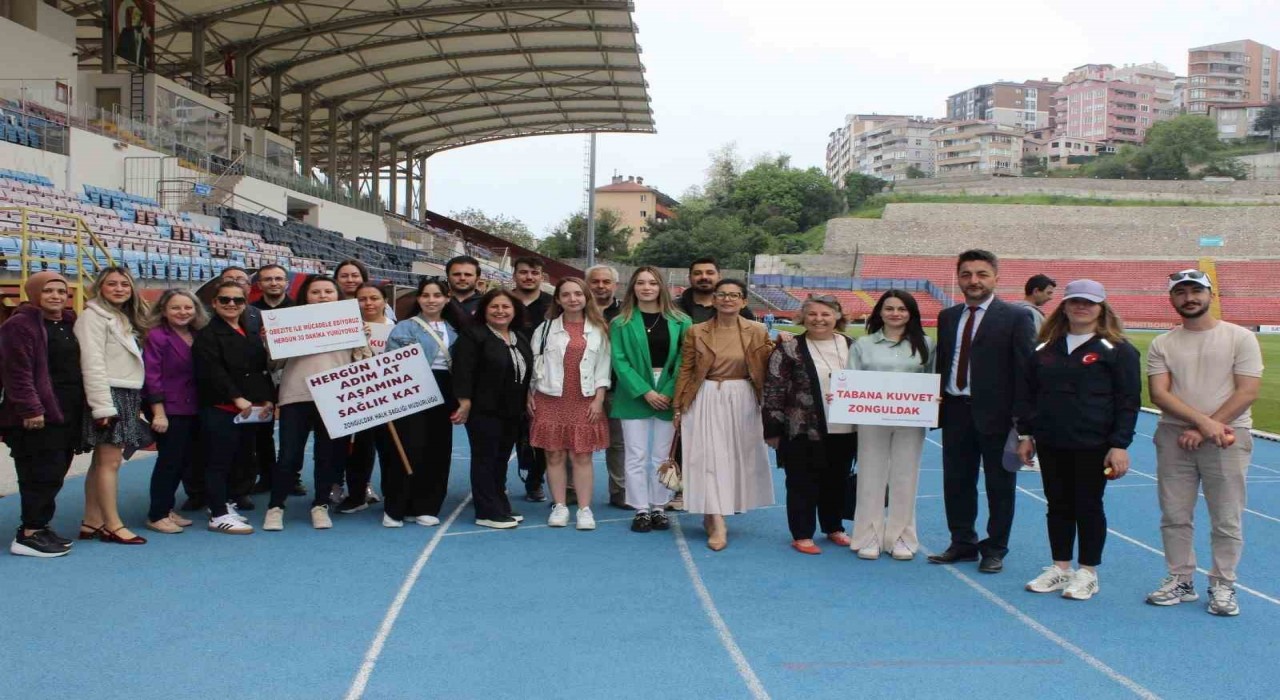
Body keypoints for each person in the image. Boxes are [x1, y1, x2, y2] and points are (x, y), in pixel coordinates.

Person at [1144, 269, 1264, 616]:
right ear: (1172, 299)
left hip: (1227, 437)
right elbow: (1159, 394)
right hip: (1174, 436)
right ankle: (1181, 579)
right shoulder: (1162, 343)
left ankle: (1223, 584)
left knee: (1226, 517)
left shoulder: (1240, 338)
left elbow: (1247, 391)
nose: (1189, 298)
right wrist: (1203, 424)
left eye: (1196, 291)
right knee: (1174, 514)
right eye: (1181, 292)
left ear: (1211, 295)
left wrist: (1207, 428)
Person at [1016, 280, 1140, 601]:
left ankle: (1088, 572)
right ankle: (1061, 567)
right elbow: (1028, 396)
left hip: (1094, 444)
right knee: (1057, 505)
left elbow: (1128, 401)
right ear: (1065, 306)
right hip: (1051, 441)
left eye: (1089, 302)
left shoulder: (1118, 350)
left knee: (1088, 505)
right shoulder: (1044, 349)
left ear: (1101, 308)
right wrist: (1026, 434)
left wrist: (1119, 444)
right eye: (1075, 301)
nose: (1081, 307)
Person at [928, 249, 1035, 573]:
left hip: (999, 417)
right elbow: (943, 363)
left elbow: (1025, 372)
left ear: (996, 278)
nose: (973, 281)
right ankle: (962, 542)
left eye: (981, 274)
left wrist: (1025, 427)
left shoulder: (1016, 317)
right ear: (959, 278)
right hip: (955, 412)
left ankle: (995, 548)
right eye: (966, 274)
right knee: (956, 482)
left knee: (999, 486)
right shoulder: (948, 317)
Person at [263, 275, 371, 531]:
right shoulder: (290, 322)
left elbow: (364, 364)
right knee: (288, 455)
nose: (322, 296)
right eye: (316, 292)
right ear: (305, 296)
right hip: (296, 395)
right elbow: (274, 364)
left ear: (338, 296)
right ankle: (275, 506)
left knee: (328, 456)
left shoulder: (351, 323)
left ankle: (320, 505)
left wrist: (363, 339)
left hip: (336, 397)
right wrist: (271, 342)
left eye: (328, 292)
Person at [674, 279, 774, 551]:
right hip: (705, 396)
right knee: (708, 458)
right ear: (714, 300)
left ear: (743, 301)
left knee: (733, 459)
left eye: (734, 295)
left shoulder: (758, 330)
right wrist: (678, 406)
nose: (727, 299)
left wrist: (782, 343)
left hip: (743, 398)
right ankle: (718, 522)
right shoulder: (696, 331)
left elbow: (768, 364)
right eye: (722, 295)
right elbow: (686, 369)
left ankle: (713, 512)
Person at [847, 290, 936, 561]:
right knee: (870, 476)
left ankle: (901, 536)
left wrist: (934, 398)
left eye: (902, 309)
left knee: (905, 477)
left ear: (911, 313)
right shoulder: (863, 344)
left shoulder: (926, 344)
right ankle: (868, 536)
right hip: (871, 419)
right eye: (889, 308)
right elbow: (850, 380)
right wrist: (842, 396)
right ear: (880, 312)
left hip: (911, 420)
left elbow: (932, 379)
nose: (895, 313)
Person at [762, 295, 855, 555]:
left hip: (846, 427)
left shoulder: (852, 345)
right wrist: (772, 428)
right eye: (812, 314)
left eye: (826, 314)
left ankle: (834, 526)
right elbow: (774, 388)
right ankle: (802, 533)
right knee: (802, 481)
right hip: (802, 427)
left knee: (837, 479)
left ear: (837, 316)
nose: (819, 319)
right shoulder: (789, 348)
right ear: (803, 317)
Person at [0, 272, 84, 556]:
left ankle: (40, 525)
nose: (56, 296)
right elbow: (16, 372)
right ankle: (28, 534)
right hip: (36, 415)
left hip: (65, 412)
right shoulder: (19, 325)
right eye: (48, 291)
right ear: (34, 293)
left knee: (55, 472)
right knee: (38, 473)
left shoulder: (68, 322)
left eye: (61, 291)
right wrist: (30, 408)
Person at [74, 266, 152, 545]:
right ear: (100, 287)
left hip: (124, 394)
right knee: (111, 462)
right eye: (112, 284)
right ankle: (112, 524)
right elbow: (91, 363)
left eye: (124, 284)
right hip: (108, 395)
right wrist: (102, 407)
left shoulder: (122, 316)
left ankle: (92, 520)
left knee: (101, 462)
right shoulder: (92, 317)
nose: (119, 289)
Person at [610, 266, 691, 532]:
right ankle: (641, 509)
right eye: (641, 283)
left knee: (661, 456)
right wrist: (645, 391)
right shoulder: (620, 323)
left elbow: (684, 360)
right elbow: (619, 361)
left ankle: (658, 506)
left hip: (668, 390)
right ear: (632, 287)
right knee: (635, 455)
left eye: (653, 283)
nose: (647, 288)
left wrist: (668, 391)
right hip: (634, 392)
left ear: (661, 287)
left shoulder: (681, 321)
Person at [529, 278, 612, 530]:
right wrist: (529, 394)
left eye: (578, 294)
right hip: (549, 398)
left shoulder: (599, 330)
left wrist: (599, 399)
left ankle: (585, 509)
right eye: (566, 294)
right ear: (558, 299)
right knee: (553, 454)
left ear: (586, 297)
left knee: (582, 455)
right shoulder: (544, 329)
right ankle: (560, 506)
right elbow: (534, 364)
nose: (572, 299)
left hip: (584, 399)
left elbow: (603, 367)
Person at [382, 277, 465, 527]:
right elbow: (391, 364)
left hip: (445, 391)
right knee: (407, 448)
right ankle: (395, 508)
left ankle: (426, 506)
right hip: (411, 389)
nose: (431, 300)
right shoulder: (404, 328)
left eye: (437, 295)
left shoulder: (457, 329)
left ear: (447, 299)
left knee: (437, 450)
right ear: (418, 299)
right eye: (426, 295)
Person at [192, 281, 274, 535]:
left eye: (237, 300)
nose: (231, 304)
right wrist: (237, 398)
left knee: (239, 459)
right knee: (217, 461)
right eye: (225, 299)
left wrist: (266, 398)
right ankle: (218, 513)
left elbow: (258, 369)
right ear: (214, 303)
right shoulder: (207, 335)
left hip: (247, 411)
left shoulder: (249, 331)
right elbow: (212, 371)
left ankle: (224, 503)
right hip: (221, 408)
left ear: (245, 304)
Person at [452, 288, 533, 529]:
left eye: (506, 307)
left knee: (501, 459)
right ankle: (486, 511)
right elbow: (463, 369)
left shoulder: (519, 336)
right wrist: (464, 401)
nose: (500, 311)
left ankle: (499, 503)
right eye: (494, 306)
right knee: (485, 459)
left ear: (514, 310)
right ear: (484, 310)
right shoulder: (473, 335)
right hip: (484, 409)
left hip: (512, 409)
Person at [142, 290, 207, 534]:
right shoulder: (157, 336)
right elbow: (152, 377)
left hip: (193, 406)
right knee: (169, 461)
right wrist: (158, 413)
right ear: (164, 310)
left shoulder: (198, 334)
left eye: (188, 307)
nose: (183, 312)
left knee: (183, 461)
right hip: (169, 409)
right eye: (176, 308)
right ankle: (157, 514)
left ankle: (167, 508)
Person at [336, 282, 395, 514]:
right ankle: (357, 495)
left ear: (385, 301)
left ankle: (393, 495)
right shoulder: (345, 328)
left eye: (374, 298)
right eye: (362, 299)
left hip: (391, 397)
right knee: (359, 449)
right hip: (358, 398)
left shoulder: (397, 329)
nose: (368, 303)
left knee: (389, 449)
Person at [249, 264, 296, 498]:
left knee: (293, 431)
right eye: (268, 279)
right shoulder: (249, 312)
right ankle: (266, 476)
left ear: (287, 283)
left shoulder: (300, 309)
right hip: (260, 377)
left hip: (293, 375)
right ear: (259, 284)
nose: (274, 283)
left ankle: (292, 479)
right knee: (261, 432)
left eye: (278, 278)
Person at [586, 264, 628, 509]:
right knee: (577, 440)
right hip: (580, 386)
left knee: (618, 443)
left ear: (615, 285)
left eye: (606, 281)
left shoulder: (626, 312)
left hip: (616, 386)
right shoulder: (577, 309)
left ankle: (620, 490)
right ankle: (571, 489)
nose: (600, 286)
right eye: (595, 281)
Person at [510, 256, 551, 502]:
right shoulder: (503, 301)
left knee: (540, 433)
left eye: (534, 273)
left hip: (541, 377)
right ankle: (496, 483)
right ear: (514, 274)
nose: (529, 277)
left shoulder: (551, 305)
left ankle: (535, 481)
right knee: (505, 433)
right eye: (523, 272)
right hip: (506, 375)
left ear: (541, 277)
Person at [678, 257, 756, 324]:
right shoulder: (675, 308)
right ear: (689, 278)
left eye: (710, 273)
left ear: (719, 277)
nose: (704, 277)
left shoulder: (739, 310)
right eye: (697, 273)